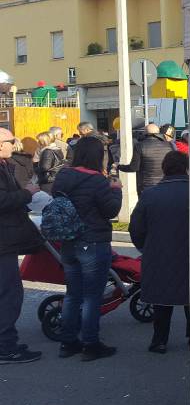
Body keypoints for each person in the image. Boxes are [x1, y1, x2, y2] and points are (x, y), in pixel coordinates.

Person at [51, 136, 122, 360]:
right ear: (97, 155)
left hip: (68, 241)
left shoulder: (63, 176)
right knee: (92, 296)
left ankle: (68, 342)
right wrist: (117, 189)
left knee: (73, 294)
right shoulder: (98, 181)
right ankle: (91, 344)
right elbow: (111, 211)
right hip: (92, 241)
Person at [129, 151, 190, 353]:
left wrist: (145, 247)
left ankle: (159, 340)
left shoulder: (150, 195)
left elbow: (136, 228)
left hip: (159, 255)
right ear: (186, 168)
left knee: (162, 301)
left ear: (164, 168)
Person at [0, 128, 44, 364]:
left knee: (8, 292)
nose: (15, 144)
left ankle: (7, 343)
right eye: (10, 141)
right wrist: (27, 194)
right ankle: (6, 347)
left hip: (6, 238)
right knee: (9, 294)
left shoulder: (5, 165)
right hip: (3, 241)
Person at [118, 123, 175, 194]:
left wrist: (119, 166)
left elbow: (134, 168)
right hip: (165, 185)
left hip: (146, 187)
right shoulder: (170, 146)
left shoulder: (139, 146)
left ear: (145, 132)